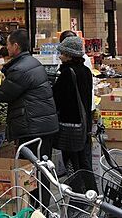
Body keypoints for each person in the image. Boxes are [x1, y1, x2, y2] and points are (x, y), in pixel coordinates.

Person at [0, 29, 58, 207]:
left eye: (7, 44)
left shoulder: (20, 68)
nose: (6, 47)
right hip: (42, 123)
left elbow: (4, 94)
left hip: (32, 126)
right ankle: (41, 207)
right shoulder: (32, 62)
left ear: (16, 46)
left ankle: (36, 208)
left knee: (32, 170)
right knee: (42, 169)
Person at [52, 36, 94, 174]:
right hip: (84, 123)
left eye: (62, 54)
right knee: (84, 161)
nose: (60, 57)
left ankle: (76, 190)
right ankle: (89, 189)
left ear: (69, 55)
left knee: (71, 160)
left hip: (70, 124)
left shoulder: (67, 73)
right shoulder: (86, 71)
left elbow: (58, 98)